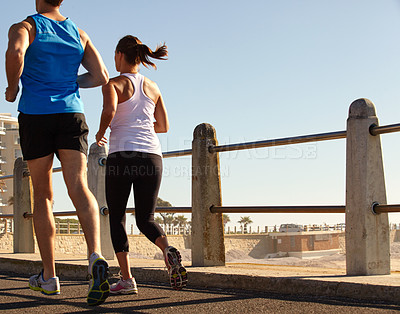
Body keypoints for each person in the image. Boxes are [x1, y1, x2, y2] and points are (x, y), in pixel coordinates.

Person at [5, 0, 110, 306]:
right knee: (78, 184)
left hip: (36, 114)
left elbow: (15, 53)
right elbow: (101, 75)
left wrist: (13, 87)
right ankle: (95, 255)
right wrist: (67, 82)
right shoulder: (79, 33)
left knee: (43, 195)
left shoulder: (26, 26)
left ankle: (49, 278)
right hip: (71, 114)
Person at [96, 35, 188, 294]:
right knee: (146, 217)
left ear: (119, 55)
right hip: (151, 156)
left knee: (117, 217)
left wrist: (101, 131)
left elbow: (109, 111)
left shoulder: (113, 84)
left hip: (122, 155)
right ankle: (167, 251)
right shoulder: (153, 86)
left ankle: (126, 279)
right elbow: (164, 126)